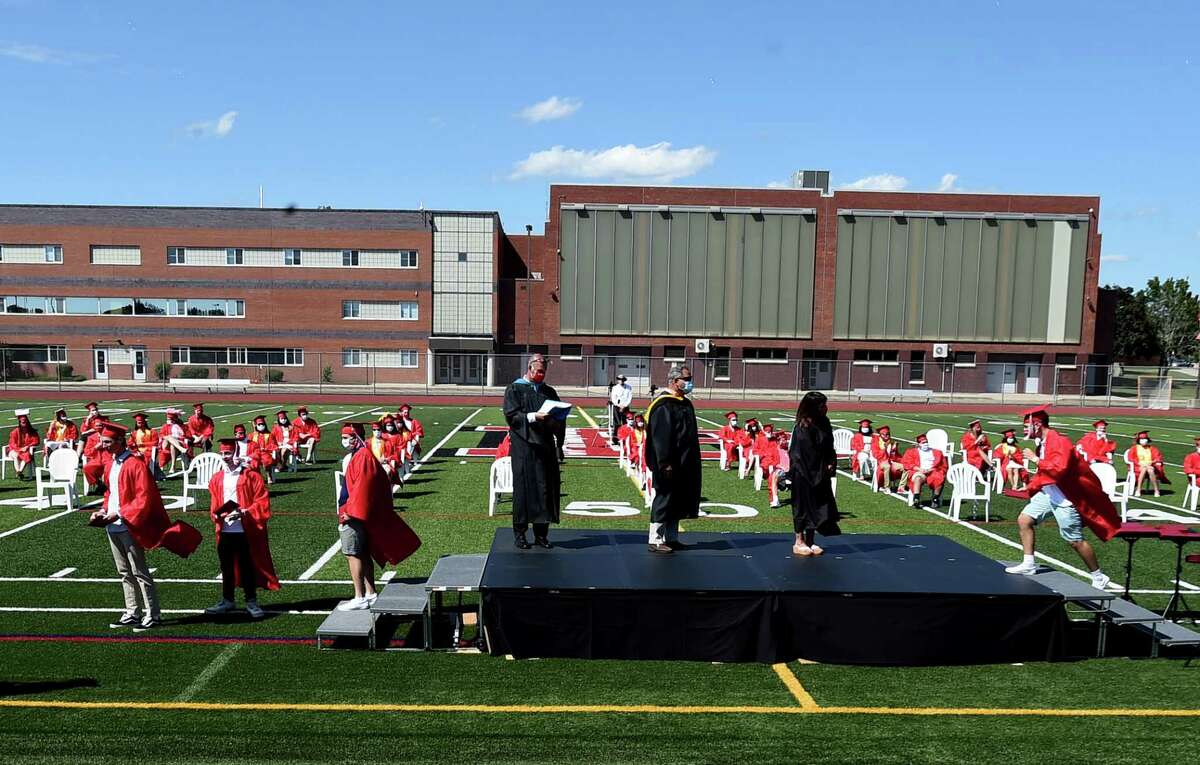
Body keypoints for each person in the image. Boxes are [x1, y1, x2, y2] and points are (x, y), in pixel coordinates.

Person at [88, 422, 201, 630]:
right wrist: (103, 511)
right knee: (123, 572)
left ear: (120, 441)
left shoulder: (135, 464)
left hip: (129, 524)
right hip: (112, 525)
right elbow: (110, 493)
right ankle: (132, 611)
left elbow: (144, 497)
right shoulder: (111, 464)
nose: (103, 445)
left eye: (107, 442)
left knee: (139, 571)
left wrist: (118, 513)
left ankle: (153, 613)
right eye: (103, 441)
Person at [1004, 407, 1117, 589]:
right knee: (1024, 519)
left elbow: (1060, 469)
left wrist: (1035, 459)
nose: (1024, 430)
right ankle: (1029, 563)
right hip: (1050, 493)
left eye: (1026, 426)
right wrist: (1032, 485)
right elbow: (1046, 473)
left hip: (1066, 498)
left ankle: (1098, 575)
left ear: (1037, 424)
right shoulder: (1044, 442)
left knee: (1074, 540)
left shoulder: (1059, 441)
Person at [336, 423, 421, 610]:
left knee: (353, 553)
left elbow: (362, 489)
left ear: (355, 437)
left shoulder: (362, 457)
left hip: (354, 514)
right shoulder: (362, 455)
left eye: (346, 437)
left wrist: (348, 513)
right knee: (364, 552)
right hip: (358, 511)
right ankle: (371, 593)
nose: (344, 441)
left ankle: (359, 596)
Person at [205, 439, 278, 618]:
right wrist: (216, 515)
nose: (225, 457)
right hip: (225, 530)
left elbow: (262, 501)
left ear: (237, 454)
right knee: (226, 567)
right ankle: (227, 600)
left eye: (228, 453)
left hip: (245, 530)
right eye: (223, 454)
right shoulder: (217, 478)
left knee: (247, 567)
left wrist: (245, 512)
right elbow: (215, 504)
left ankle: (251, 601)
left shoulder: (251, 476)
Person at [501, 355, 566, 549]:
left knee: (544, 489)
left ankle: (541, 535)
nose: (541, 375)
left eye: (543, 372)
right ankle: (520, 534)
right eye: (538, 371)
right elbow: (512, 416)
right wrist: (533, 417)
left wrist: (558, 443)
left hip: (544, 447)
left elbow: (559, 421)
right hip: (524, 447)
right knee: (523, 490)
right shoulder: (515, 389)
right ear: (529, 369)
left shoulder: (549, 391)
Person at [644, 364, 701, 553]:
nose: (689, 382)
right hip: (668, 463)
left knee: (677, 499)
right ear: (675, 381)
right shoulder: (663, 405)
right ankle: (656, 538)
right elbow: (661, 438)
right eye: (686, 379)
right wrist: (665, 463)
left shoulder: (684, 403)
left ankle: (672, 537)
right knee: (664, 497)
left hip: (684, 462)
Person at [787, 391, 841, 556]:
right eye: (821, 405)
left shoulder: (824, 422)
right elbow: (800, 454)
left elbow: (829, 445)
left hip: (820, 471)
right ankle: (799, 541)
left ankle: (811, 540)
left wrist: (831, 462)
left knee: (818, 506)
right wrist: (812, 473)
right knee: (803, 506)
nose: (825, 408)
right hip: (803, 472)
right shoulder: (803, 425)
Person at [900, 434, 947, 508]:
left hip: (933, 471)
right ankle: (916, 499)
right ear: (919, 444)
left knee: (940, 477)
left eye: (926, 442)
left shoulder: (937, 452)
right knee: (917, 478)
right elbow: (906, 464)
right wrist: (919, 469)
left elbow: (943, 465)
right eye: (923, 443)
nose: (925, 444)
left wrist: (931, 469)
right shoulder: (911, 452)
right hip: (919, 471)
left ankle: (935, 499)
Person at [1125, 431, 1169, 497]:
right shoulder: (1134, 448)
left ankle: (1156, 490)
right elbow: (1130, 458)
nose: (1143, 441)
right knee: (1145, 469)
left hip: (1150, 466)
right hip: (1138, 466)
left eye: (1145, 439)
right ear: (1139, 440)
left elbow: (1158, 458)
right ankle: (1139, 489)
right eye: (1142, 439)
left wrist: (1152, 462)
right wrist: (1139, 463)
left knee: (1150, 470)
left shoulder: (1153, 449)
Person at [6, 409, 40, 480]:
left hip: (25, 451)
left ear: (27, 422)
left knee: (27, 455)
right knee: (16, 455)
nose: (24, 424)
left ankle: (19, 472)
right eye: (22, 422)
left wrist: (27, 446)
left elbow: (36, 441)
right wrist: (20, 449)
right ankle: (19, 472)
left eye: (25, 422)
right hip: (13, 450)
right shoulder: (15, 432)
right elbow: (12, 443)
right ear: (19, 422)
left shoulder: (32, 432)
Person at [130, 412, 163, 481]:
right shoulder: (134, 433)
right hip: (137, 451)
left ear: (145, 422)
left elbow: (155, 442)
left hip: (149, 451)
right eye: (139, 422)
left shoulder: (152, 432)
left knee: (145, 458)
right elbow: (130, 443)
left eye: (142, 422)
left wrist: (143, 445)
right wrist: (134, 446)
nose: (140, 424)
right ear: (136, 423)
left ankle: (144, 476)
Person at [157, 408, 192, 472]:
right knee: (169, 437)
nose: (169, 420)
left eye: (170, 419)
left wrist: (178, 438)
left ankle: (173, 466)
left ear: (175, 419)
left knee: (172, 446)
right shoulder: (165, 426)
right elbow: (161, 436)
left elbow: (189, 436)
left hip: (179, 443)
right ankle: (180, 448)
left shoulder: (182, 426)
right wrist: (171, 438)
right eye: (168, 419)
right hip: (166, 444)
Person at [247, 415, 278, 484]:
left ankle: (269, 475)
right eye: (259, 424)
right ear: (256, 425)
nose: (261, 425)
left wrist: (266, 448)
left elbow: (274, 445)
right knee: (253, 461)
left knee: (266, 460)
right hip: (255, 454)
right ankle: (257, 477)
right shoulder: (251, 435)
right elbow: (249, 446)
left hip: (266, 453)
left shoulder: (269, 434)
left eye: (262, 424)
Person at [872, 425, 902, 493]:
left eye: (888, 434)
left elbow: (896, 456)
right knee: (887, 466)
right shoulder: (876, 443)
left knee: (905, 467)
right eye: (884, 434)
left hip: (891, 462)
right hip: (881, 462)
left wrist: (894, 449)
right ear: (880, 435)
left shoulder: (892, 442)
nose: (886, 436)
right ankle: (887, 487)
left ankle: (901, 487)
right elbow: (876, 455)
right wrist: (884, 448)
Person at [608, 374, 633, 444]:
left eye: (622, 379)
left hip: (625, 407)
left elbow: (629, 397)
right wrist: (619, 405)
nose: (621, 381)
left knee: (625, 423)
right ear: (618, 380)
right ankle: (615, 439)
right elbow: (613, 398)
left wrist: (624, 406)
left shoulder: (629, 387)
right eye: (619, 379)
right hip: (617, 407)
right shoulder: (615, 388)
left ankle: (626, 438)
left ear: (624, 380)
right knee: (617, 423)